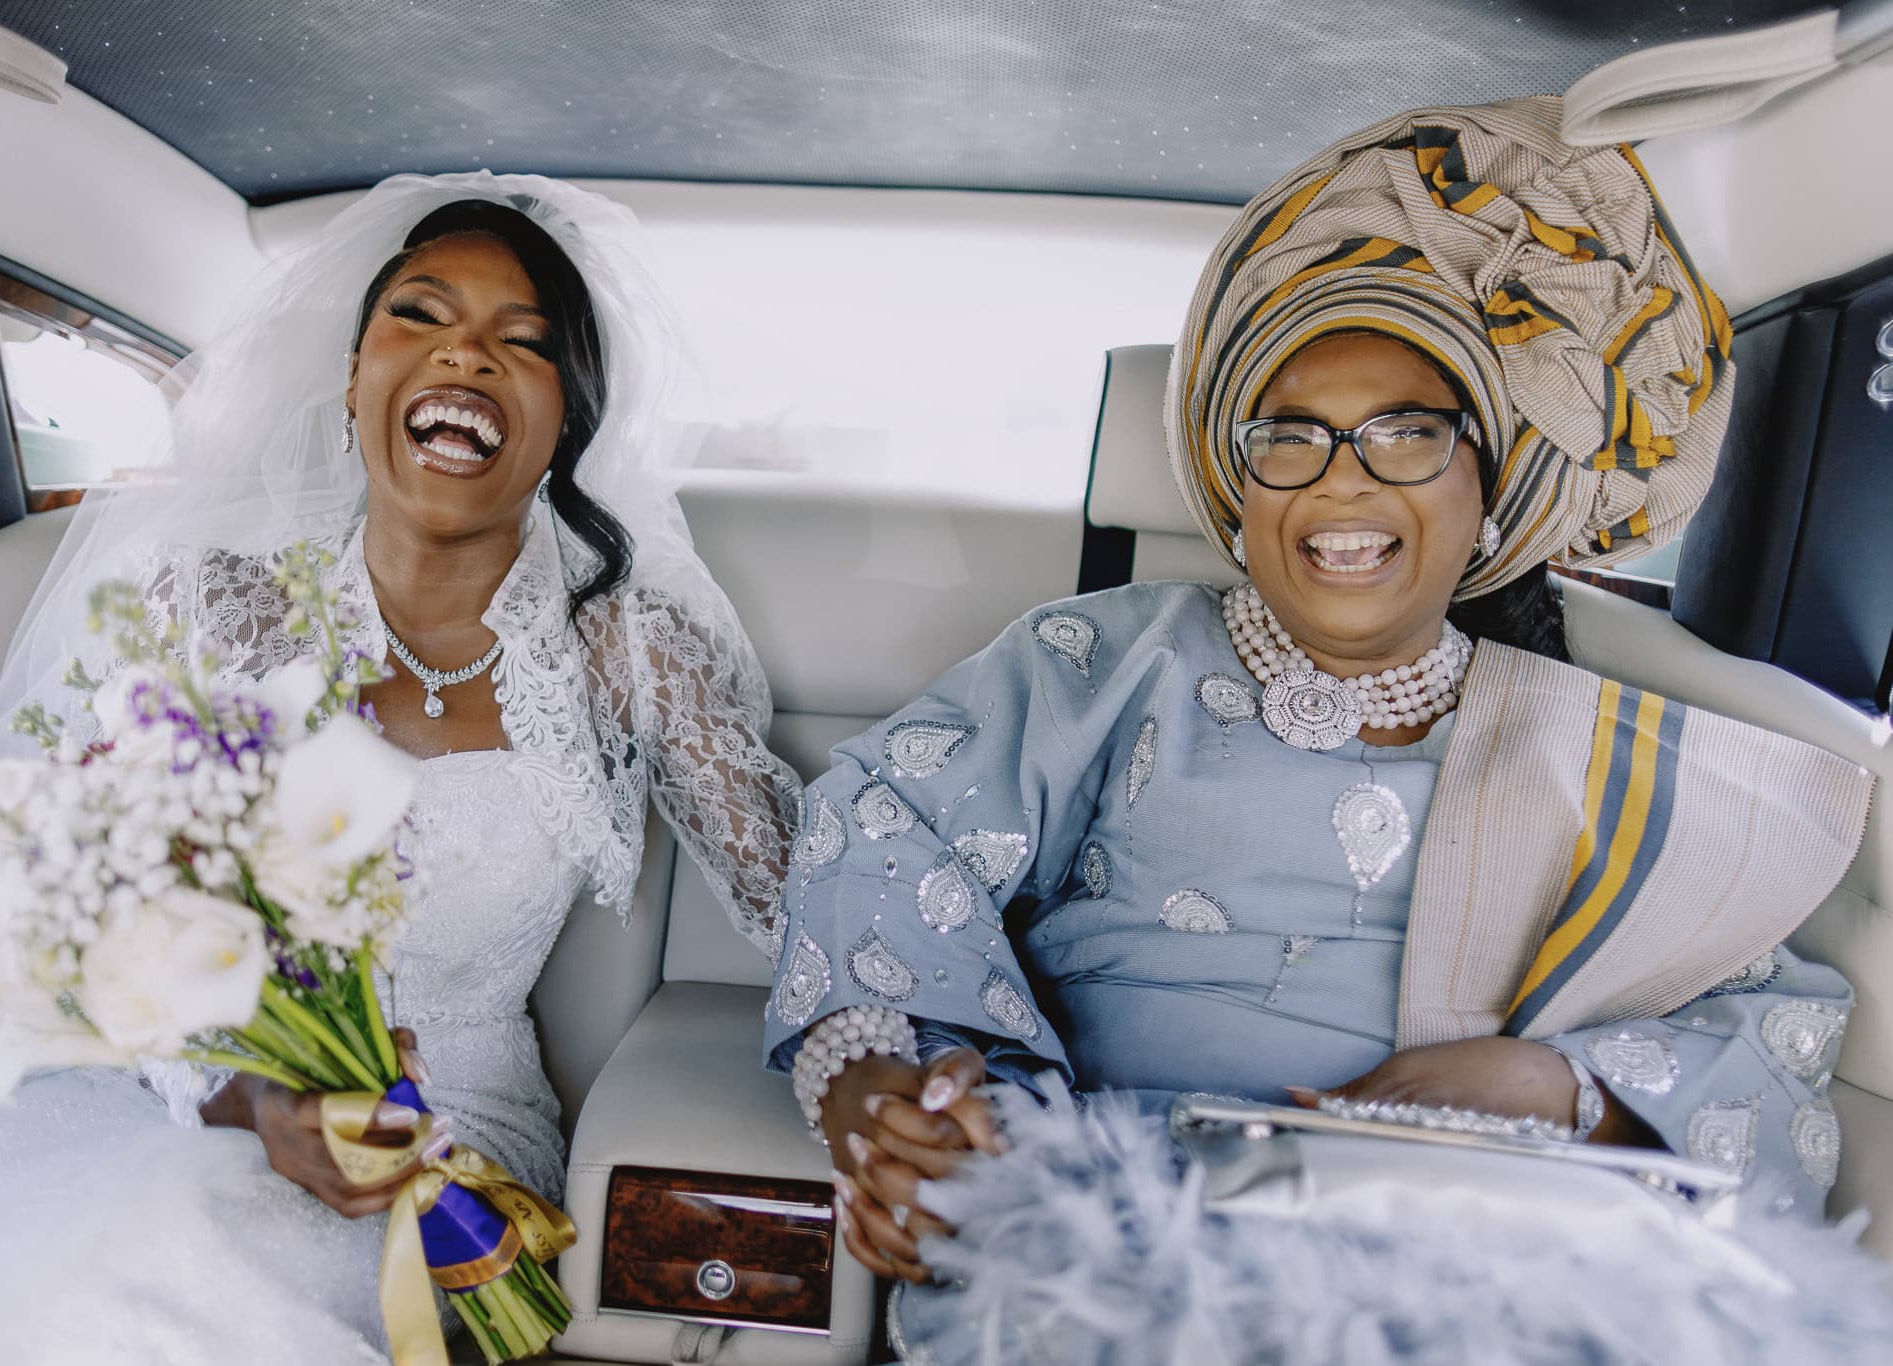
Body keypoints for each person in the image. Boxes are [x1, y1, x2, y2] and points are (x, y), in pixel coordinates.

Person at [759, 100, 1872, 1357]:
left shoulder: (1601, 745)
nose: (1342, 475)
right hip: (1114, 1213)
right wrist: (884, 1087)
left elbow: (1763, 1031)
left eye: (1407, 433)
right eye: (1288, 437)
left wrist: (1548, 1086)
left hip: (1468, 1246)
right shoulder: (1097, 659)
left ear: (1484, 490)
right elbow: (881, 833)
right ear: (1239, 500)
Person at [0, 172, 800, 1363]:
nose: (465, 358)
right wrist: (244, 1097)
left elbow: (800, 908)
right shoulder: (206, 605)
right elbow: (66, 919)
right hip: (163, 1100)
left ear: (568, 422)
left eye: (525, 342)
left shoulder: (631, 647)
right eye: (420, 315)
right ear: (353, 378)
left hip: (452, 1144)